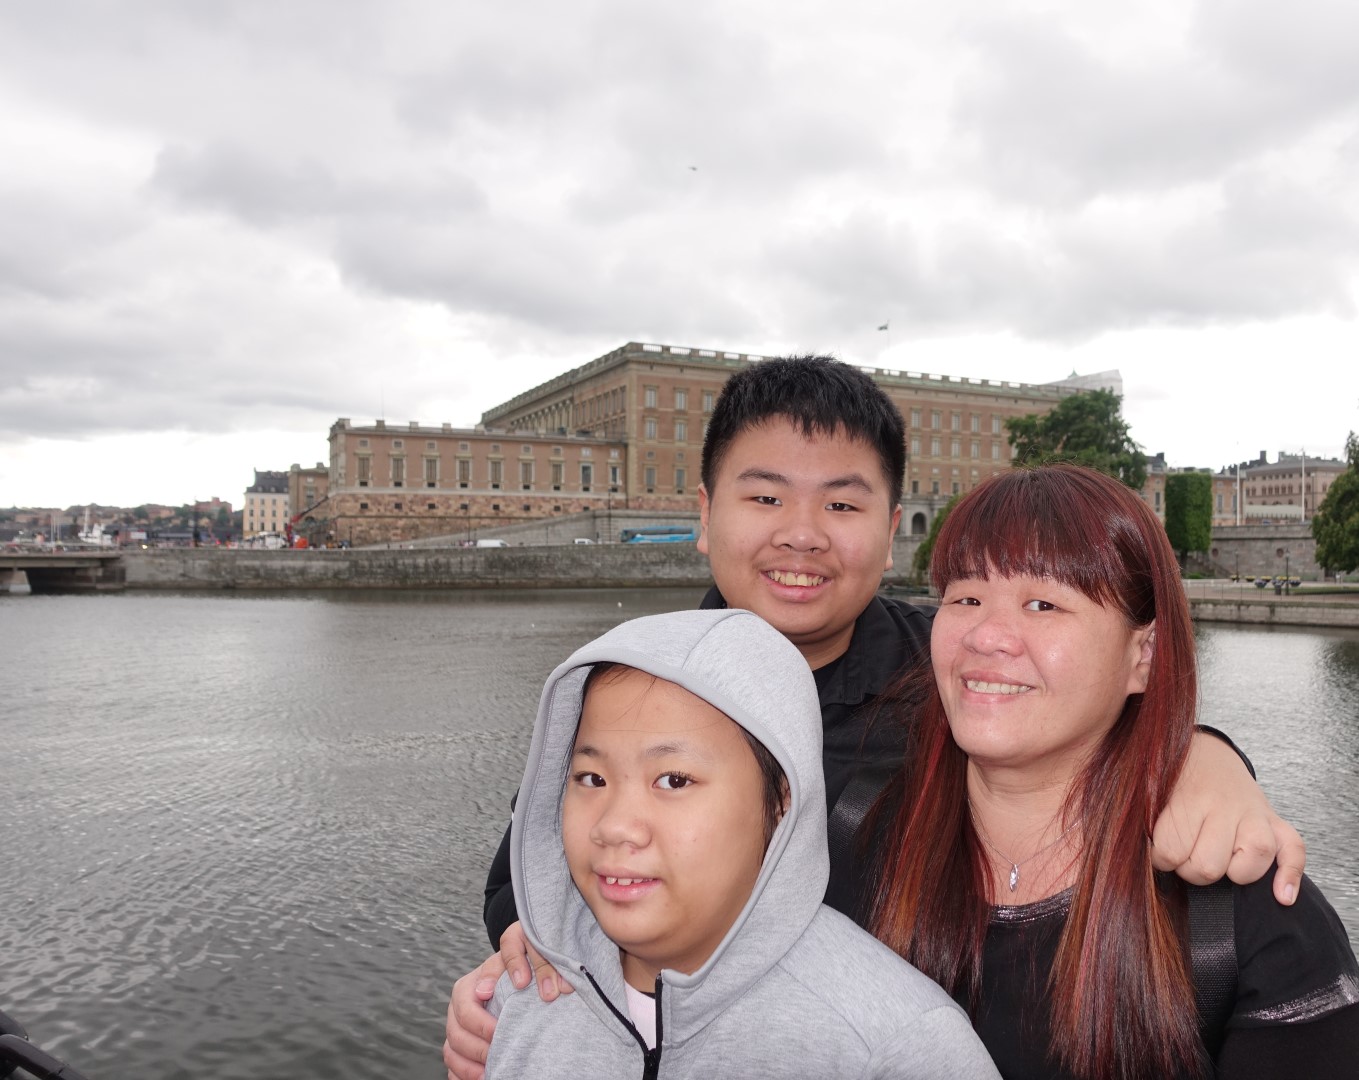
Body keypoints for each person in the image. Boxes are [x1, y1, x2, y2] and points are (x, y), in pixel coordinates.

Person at [447, 356, 1306, 1077]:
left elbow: (1091, 704)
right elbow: (527, 887)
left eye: (842, 505)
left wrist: (1201, 756)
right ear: (704, 516)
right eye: (765, 499)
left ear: (893, 530)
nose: (802, 534)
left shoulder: (959, 666)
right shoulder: (623, 688)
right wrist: (531, 995)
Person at [830, 464, 1359, 1078]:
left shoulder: (1255, 918)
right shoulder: (845, 833)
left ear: (1143, 655)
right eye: (965, 598)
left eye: (1042, 603)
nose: (985, 636)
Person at [481, 608, 999, 1078]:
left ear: (781, 803)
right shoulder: (522, 994)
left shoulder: (897, 1048)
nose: (615, 826)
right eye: (591, 779)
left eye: (674, 780)